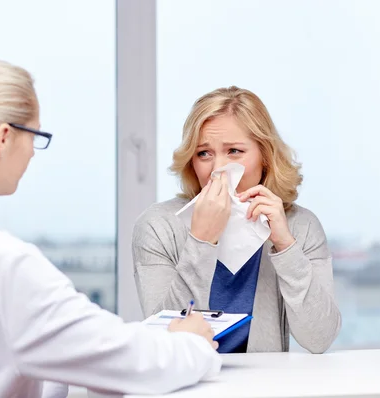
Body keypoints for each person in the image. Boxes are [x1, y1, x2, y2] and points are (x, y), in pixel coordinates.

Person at [0, 59, 222, 398]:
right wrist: (191, 343)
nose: (33, 152)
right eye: (33, 135)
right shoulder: (2, 263)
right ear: (3, 137)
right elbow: (132, 363)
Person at [132, 86, 341, 355]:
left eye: (234, 151)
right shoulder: (158, 226)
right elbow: (165, 340)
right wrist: (201, 240)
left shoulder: (301, 226)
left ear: (265, 157)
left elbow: (319, 338)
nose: (218, 168)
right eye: (203, 153)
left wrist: (286, 246)